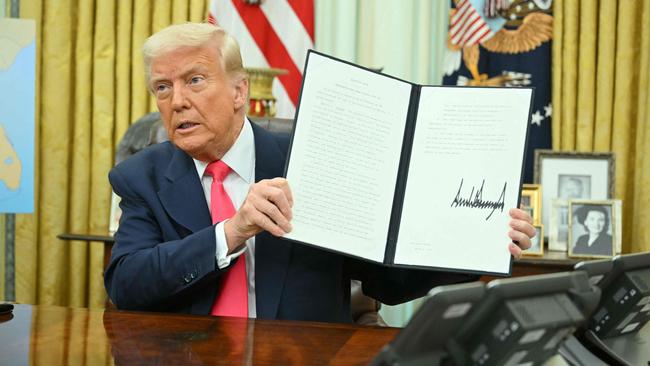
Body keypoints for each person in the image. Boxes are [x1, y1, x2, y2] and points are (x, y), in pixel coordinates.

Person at [105, 23, 535, 322]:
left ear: (240, 92)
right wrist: (231, 232)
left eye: (194, 80)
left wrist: (478, 247)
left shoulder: (311, 160)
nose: (176, 100)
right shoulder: (140, 176)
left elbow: (386, 280)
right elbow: (127, 283)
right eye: (163, 87)